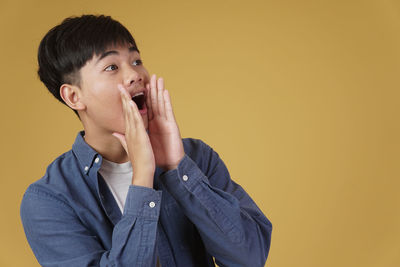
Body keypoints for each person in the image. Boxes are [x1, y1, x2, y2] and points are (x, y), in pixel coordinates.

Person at [20, 14, 272, 267]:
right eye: (112, 67)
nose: (135, 75)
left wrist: (178, 168)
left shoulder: (196, 156)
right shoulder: (49, 199)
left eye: (136, 60)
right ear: (74, 97)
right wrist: (142, 180)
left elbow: (250, 258)